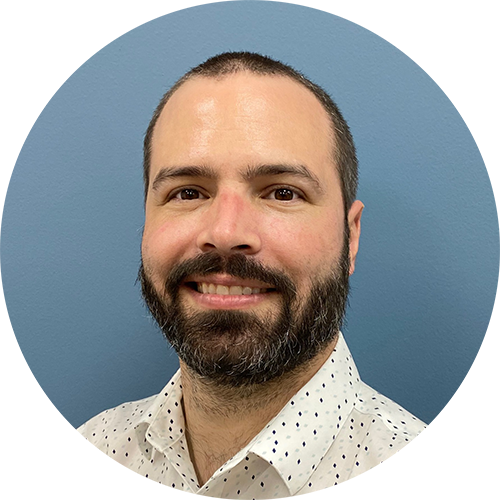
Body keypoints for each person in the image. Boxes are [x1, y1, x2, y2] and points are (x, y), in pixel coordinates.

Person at [76, 51, 428, 499]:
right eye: (187, 192)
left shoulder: (420, 475)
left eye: (283, 192)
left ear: (351, 236)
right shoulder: (90, 454)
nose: (225, 233)